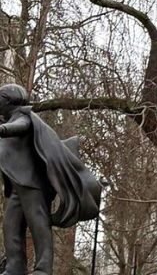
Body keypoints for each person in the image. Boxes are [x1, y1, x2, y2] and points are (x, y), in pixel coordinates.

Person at [0, 84, 101, 275]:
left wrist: (3, 129)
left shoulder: (24, 116)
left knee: (38, 222)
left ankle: (43, 268)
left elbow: (20, 127)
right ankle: (15, 266)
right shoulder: (9, 118)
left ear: (8, 101)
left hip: (32, 184)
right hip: (16, 185)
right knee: (10, 226)